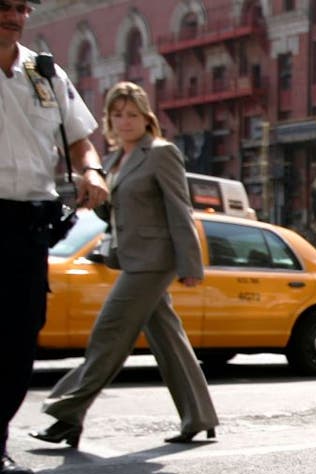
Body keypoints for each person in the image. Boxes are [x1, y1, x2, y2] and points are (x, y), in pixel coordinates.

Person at [31, 81, 219, 448]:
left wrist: (190, 264)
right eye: (117, 115)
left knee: (108, 334)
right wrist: (94, 190)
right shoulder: (116, 161)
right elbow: (115, 211)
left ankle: (67, 414)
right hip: (131, 257)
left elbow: (180, 209)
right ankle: (199, 416)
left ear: (146, 117)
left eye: (132, 114)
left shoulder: (161, 153)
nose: (125, 121)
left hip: (153, 261)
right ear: (109, 121)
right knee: (169, 340)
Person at [1, 0, 109, 474]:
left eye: (22, 7)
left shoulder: (42, 72)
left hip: (28, 223)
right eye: (5, 6)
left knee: (19, 339)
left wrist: (91, 169)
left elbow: (80, 138)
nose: (16, 16)